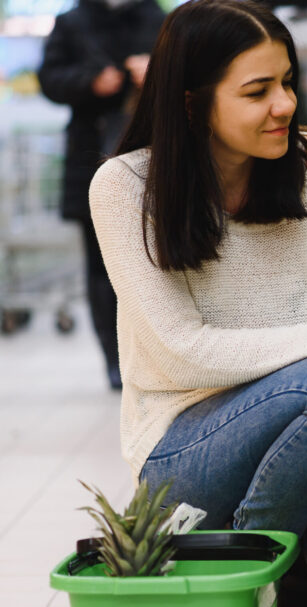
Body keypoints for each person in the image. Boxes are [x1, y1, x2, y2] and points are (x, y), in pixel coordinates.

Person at [87, 0, 307, 603]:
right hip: (183, 454)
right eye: (258, 92)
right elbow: (182, 351)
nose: (284, 104)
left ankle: (290, 551)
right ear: (192, 102)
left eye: (287, 83)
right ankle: (274, 573)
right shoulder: (127, 187)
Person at [38, 0, 166, 389]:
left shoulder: (155, 16)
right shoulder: (71, 21)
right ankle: (113, 359)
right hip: (89, 153)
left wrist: (156, 72)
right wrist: (90, 82)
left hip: (152, 155)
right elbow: (50, 79)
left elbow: (191, 73)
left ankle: (156, 354)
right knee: (100, 266)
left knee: (158, 259)